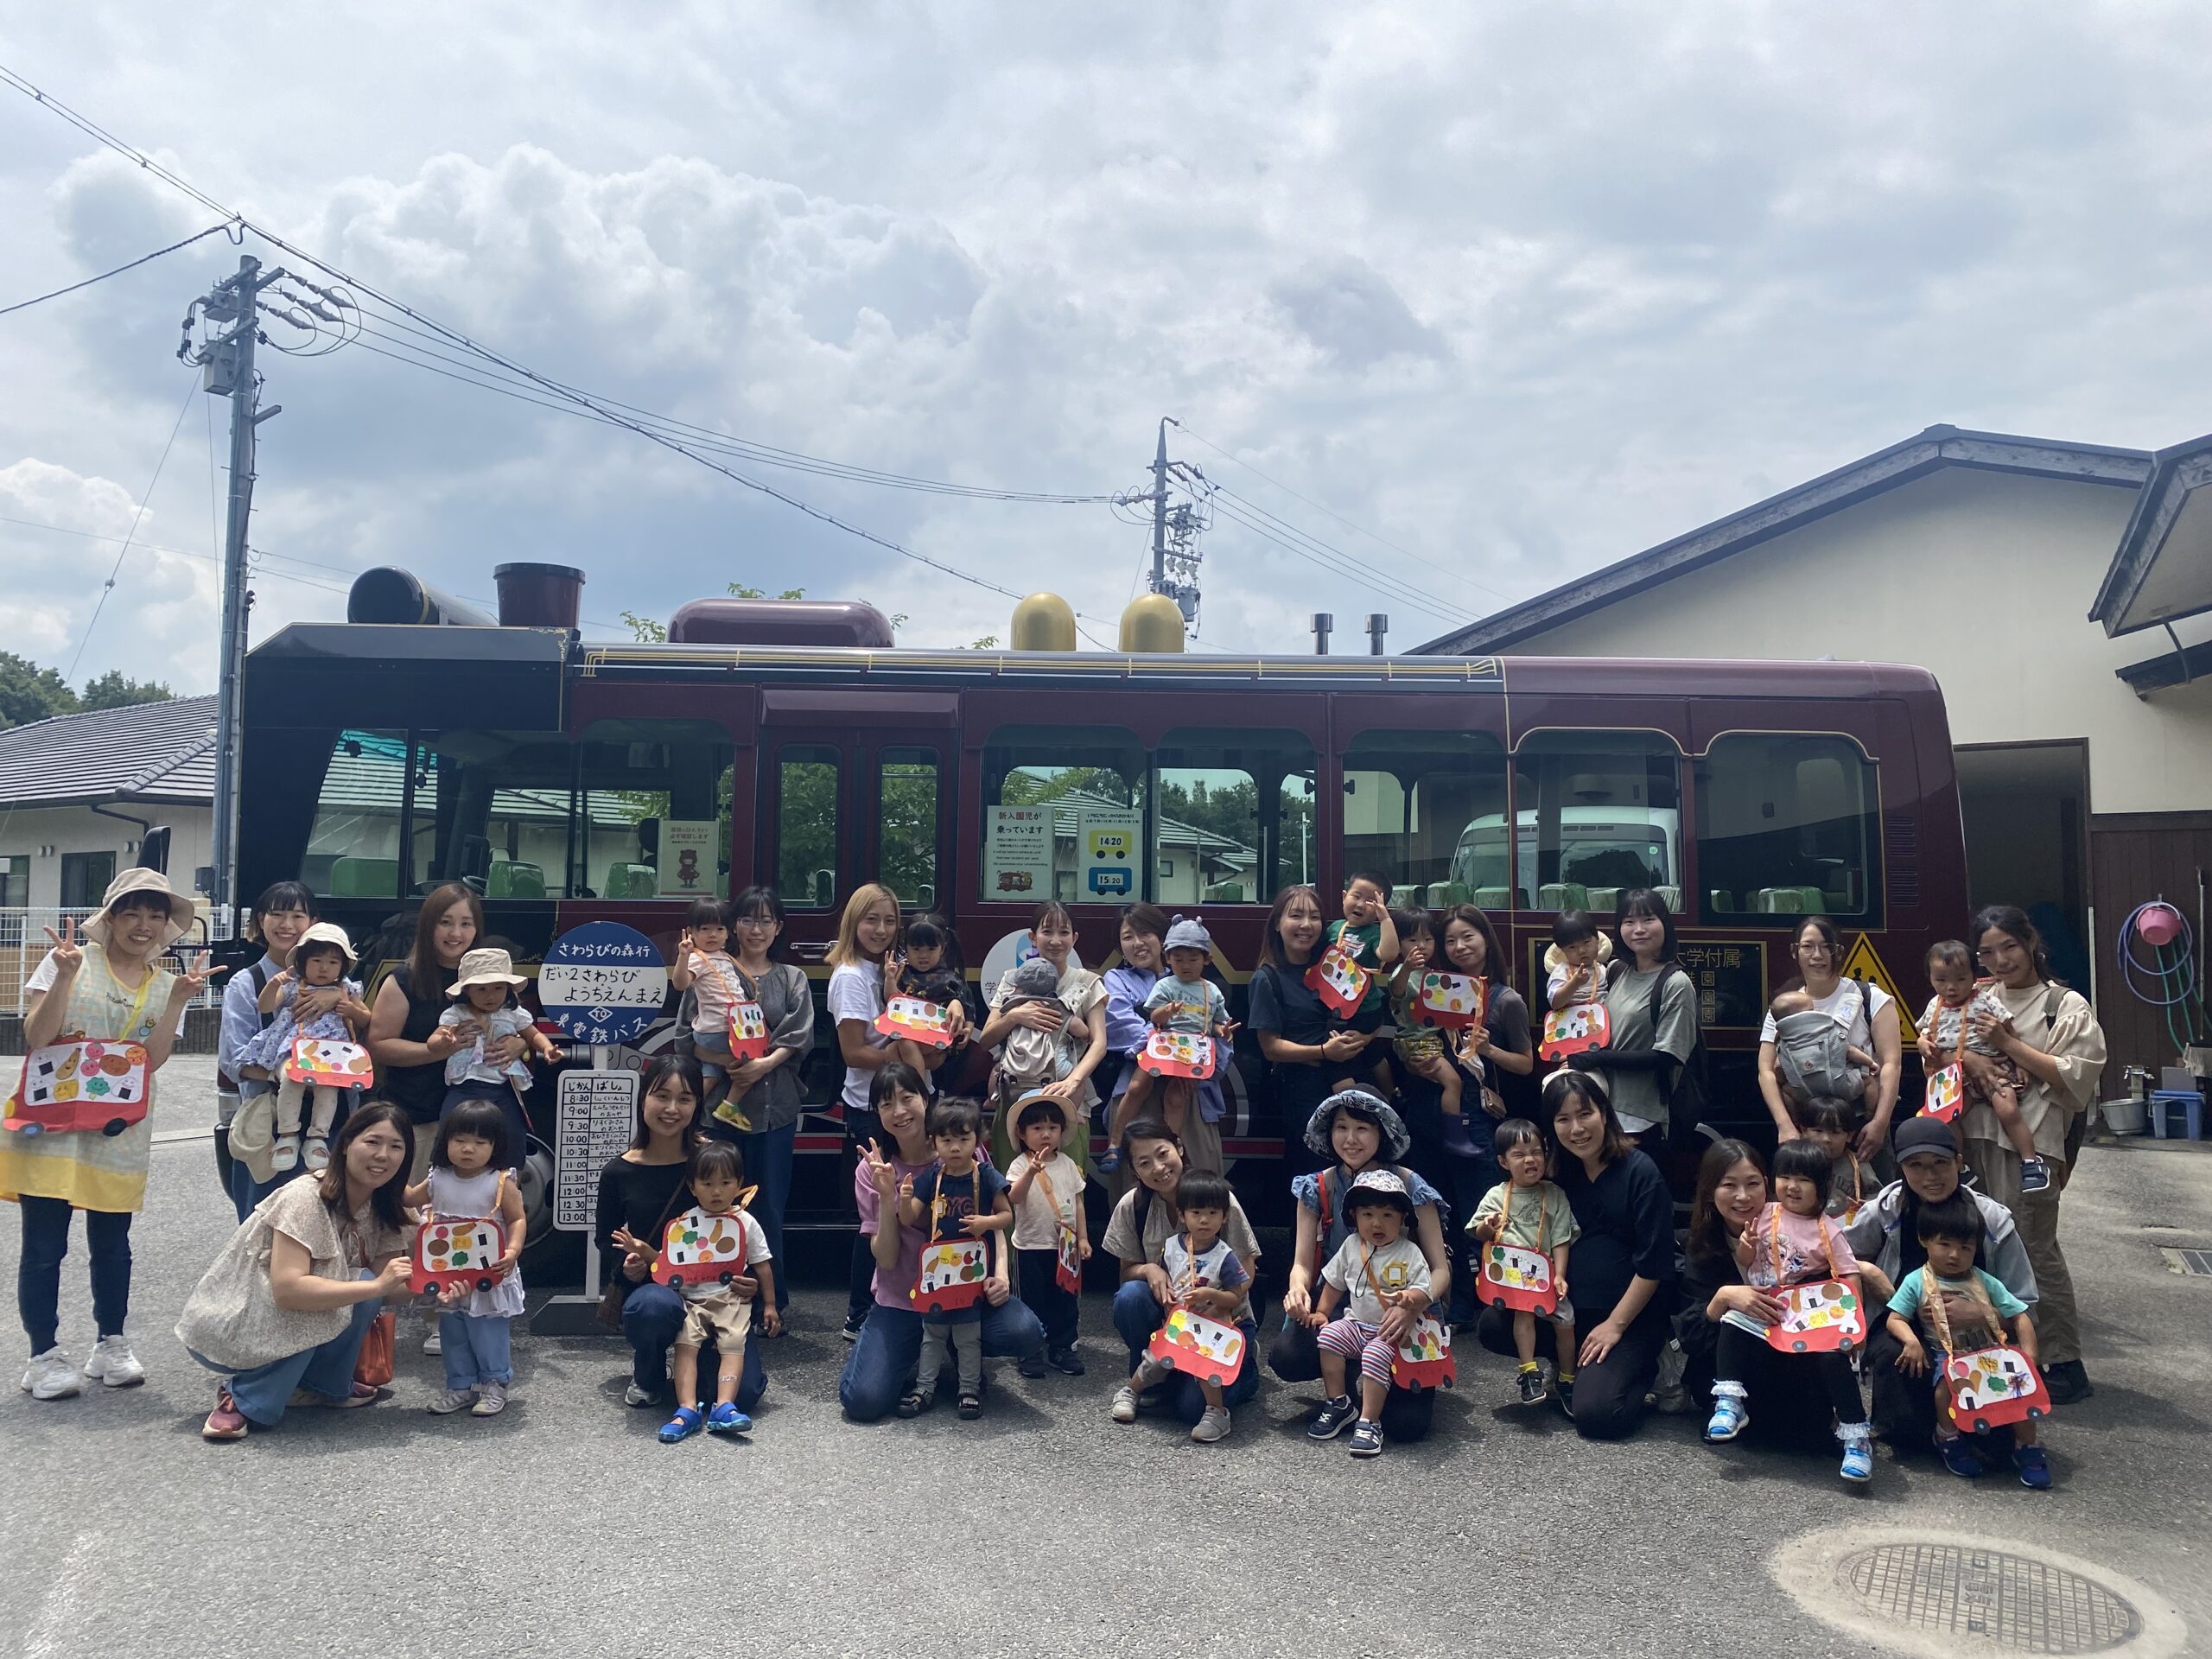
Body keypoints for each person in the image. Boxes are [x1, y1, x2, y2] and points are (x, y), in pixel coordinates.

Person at [8, 869, 215, 1402]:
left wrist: (177, 1002)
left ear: (166, 926)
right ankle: (42, 1355)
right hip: (51, 1125)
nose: (143, 925)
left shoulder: (167, 983)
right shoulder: (69, 961)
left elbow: (153, 1061)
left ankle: (111, 1343)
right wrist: (62, 977)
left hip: (118, 1129)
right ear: (111, 918)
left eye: (155, 915)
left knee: (113, 1244)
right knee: (44, 1247)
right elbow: (36, 1036)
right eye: (132, 913)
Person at [181, 1103, 416, 1440]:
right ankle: (242, 1396)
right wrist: (378, 1286)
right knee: (328, 1296)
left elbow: (390, 1286)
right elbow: (289, 1291)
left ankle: (320, 1386)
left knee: (363, 1287)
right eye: (372, 1142)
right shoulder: (306, 1198)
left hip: (289, 1309)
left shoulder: (384, 1204)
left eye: (396, 1146)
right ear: (346, 1144)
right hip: (240, 1318)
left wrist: (438, 1287)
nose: (383, 1155)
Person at [838, 1065, 1045, 1422]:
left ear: (926, 1099)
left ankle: (956, 1349)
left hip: (967, 1293)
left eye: (907, 1098)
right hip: (904, 1300)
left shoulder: (965, 1150)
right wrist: (887, 1197)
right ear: (877, 1114)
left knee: (1026, 1333)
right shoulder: (873, 1171)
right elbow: (885, 1259)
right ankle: (916, 1350)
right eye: (886, 1104)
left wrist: (1001, 1275)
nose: (899, 1111)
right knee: (863, 1401)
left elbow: (998, 1220)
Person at [1474, 1071, 1675, 1439]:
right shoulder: (1556, 1175)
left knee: (1598, 1416)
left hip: (1628, 1320)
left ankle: (1651, 1369)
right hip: (1566, 1311)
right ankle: (1570, 1364)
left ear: (1605, 1114)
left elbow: (1654, 1263)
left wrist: (1615, 1326)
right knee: (1493, 1324)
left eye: (1585, 1114)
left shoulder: (1641, 1172)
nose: (1577, 1129)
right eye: (1563, 1119)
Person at [1956, 904, 2103, 1403]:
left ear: (2031, 942)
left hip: (2032, 1147)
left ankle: (2064, 1361)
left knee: (2034, 1249)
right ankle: (2006, 1356)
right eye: (1988, 952)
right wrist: (1972, 1057)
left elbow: (2075, 1075)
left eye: (2009, 947)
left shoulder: (2062, 1004)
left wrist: (2006, 1044)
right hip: (1975, 1137)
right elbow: (1940, 1045)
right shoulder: (1975, 996)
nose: (2000, 960)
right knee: (1982, 1248)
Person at [1842, 1116, 2039, 1459]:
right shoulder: (1885, 1211)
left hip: (1980, 1333)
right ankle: (1915, 1429)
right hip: (1904, 1322)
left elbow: (2026, 1302)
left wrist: (1981, 1313)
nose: (1930, 1176)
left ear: (1959, 1162)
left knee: (1997, 1450)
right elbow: (1837, 1256)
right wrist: (1868, 1271)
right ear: (1901, 1168)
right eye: (1916, 1166)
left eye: (1940, 1164)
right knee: (1895, 1364)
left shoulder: (1993, 1220)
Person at [1270, 1090, 1455, 1443]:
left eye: (1362, 1128)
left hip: (1402, 1312)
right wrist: (1297, 1290)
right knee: (1288, 1356)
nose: (1350, 1139)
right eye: (1341, 1127)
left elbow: (1440, 1270)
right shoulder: (1317, 1186)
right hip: (1343, 1310)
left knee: (1406, 1426)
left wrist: (1414, 1305)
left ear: (1382, 1133)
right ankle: (1344, 1388)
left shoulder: (1411, 1185)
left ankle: (1381, 1381)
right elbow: (1301, 1264)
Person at [594, 1056, 766, 1417]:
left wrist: (750, 1279)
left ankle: (703, 1369)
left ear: (697, 1105)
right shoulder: (618, 1172)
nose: (672, 1109)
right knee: (653, 1307)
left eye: (685, 1099)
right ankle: (649, 1370)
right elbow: (605, 1240)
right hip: (659, 1289)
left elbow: (743, 1229)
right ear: (643, 1098)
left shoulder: (713, 1161)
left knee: (744, 1394)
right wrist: (627, 1265)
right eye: (662, 1096)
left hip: (717, 1295)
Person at [1705, 1140, 1872, 1483]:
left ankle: (1857, 1439)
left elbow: (1849, 1275)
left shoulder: (1828, 1229)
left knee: (1832, 1359)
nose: (1793, 1187)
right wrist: (1747, 1248)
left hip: (1811, 1315)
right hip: (1767, 1307)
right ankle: (1729, 1402)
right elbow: (1746, 1262)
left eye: (1804, 1180)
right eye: (1785, 1177)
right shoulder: (1764, 1214)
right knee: (1733, 1321)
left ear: (1821, 1186)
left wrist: (1856, 1326)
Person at [1102, 1119, 1264, 1429]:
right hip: (1173, 1320)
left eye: (1163, 1154)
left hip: (1222, 1320)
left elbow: (1247, 1268)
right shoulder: (1133, 1205)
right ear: (1134, 1171)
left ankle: (1245, 1368)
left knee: (1192, 1409)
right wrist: (1149, 1269)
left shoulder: (1215, 1198)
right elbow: (1126, 1271)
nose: (1158, 1168)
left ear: (1179, 1147)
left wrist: (1217, 1304)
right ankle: (1153, 1379)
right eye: (1144, 1163)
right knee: (1130, 1296)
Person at [613, 1140, 779, 1443]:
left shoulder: (745, 1222)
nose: (716, 1192)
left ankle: (724, 1406)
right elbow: (668, 1265)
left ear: (739, 1183)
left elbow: (763, 1265)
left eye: (725, 1183)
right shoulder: (685, 1223)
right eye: (707, 1184)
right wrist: (642, 1250)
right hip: (691, 1300)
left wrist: (769, 1304)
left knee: (733, 1346)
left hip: (731, 1299)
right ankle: (686, 1409)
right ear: (693, 1186)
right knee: (685, 1346)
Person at [1884, 1192, 2050, 1488]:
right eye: (1944, 1245)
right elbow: (1895, 1319)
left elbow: (2020, 1315)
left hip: (1990, 1353)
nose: (1954, 1255)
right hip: (1948, 1356)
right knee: (1945, 1390)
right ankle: (1947, 1435)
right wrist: (1911, 1341)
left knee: (2020, 1393)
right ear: (1924, 1240)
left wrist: (2030, 1357)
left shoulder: (1985, 1281)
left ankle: (2027, 1445)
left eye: (1965, 1248)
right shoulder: (1915, 1281)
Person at [711, 886, 812, 1323]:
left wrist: (761, 1066)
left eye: (766, 920)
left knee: (768, 1207)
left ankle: (772, 1303)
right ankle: (716, 1297)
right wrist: (728, 1063)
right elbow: (689, 1034)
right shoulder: (713, 970)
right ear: (734, 926)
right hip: (722, 1111)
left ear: (778, 928)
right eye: (748, 919)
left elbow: (799, 1034)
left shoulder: (792, 978)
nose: (756, 929)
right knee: (718, 1202)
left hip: (776, 1111)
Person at [367, 883, 505, 1187]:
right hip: (418, 1117)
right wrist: (434, 1052)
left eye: (466, 923)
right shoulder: (404, 979)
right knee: (410, 1205)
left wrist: (519, 1044)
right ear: (428, 925)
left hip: (475, 1123)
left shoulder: (493, 979)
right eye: (445, 922)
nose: (455, 933)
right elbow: (379, 1046)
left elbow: (517, 1026)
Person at [829, 884, 919, 1341]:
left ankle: (888, 1305)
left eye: (889, 921)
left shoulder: (885, 969)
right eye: (871, 920)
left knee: (898, 1208)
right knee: (875, 1215)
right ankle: (860, 1314)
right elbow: (854, 1053)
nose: (881, 930)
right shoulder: (849, 976)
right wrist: (907, 1056)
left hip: (895, 1101)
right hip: (872, 1106)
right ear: (853, 922)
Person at [403, 1099, 526, 1418]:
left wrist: (512, 1251)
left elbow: (516, 1219)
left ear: (495, 1146)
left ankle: (495, 1384)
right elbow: (409, 1198)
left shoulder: (499, 1181)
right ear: (446, 1141)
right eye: (459, 1140)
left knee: (487, 1330)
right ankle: (460, 1385)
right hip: (447, 1271)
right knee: (453, 1330)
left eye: (480, 1143)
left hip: (487, 1271)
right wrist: (391, 1170)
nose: (468, 1149)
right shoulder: (438, 1177)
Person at [896, 1097, 1013, 1421]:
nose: (956, 1147)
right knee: (932, 1336)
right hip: (937, 1271)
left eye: (964, 1138)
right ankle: (924, 1388)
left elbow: (1006, 1215)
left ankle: (969, 1389)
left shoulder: (986, 1175)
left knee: (968, 1337)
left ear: (978, 1139)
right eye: (946, 1140)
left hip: (971, 1272)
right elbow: (909, 1218)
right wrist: (904, 1199)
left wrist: (985, 1222)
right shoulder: (932, 1178)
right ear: (933, 1141)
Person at [1306, 1169, 1431, 1458]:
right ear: (1354, 1217)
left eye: (1387, 1215)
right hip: (1357, 1323)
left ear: (1402, 1218)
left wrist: (1409, 1298)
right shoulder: (1352, 1245)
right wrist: (1322, 1312)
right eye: (1367, 1215)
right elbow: (1334, 1282)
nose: (1377, 1223)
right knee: (1329, 1337)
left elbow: (1425, 1289)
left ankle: (1369, 1420)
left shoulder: (1409, 1251)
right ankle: (1339, 1402)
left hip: (1392, 1332)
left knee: (1375, 1355)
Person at [1249, 885, 1376, 1166]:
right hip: (1303, 1091)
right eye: (1296, 916)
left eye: (1315, 917)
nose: (1306, 925)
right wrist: (1324, 1052)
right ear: (1277, 924)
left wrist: (1365, 1038)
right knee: (1314, 1171)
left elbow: (1370, 1007)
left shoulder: (1335, 964)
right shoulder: (1267, 978)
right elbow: (1270, 1047)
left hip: (1353, 1075)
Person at [1756, 915, 1902, 1158]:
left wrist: (1879, 1122)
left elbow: (1891, 1064)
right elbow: (1766, 1071)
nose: (1817, 955)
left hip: (1860, 1127)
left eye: (1826, 947)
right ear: (1795, 951)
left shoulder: (1869, 997)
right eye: (1808, 946)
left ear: (1839, 952)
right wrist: (1785, 1125)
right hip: (1807, 1128)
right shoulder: (1783, 1007)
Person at [215, 880, 320, 1217]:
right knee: (262, 1223)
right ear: (261, 920)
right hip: (269, 1123)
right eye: (277, 915)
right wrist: (288, 1074)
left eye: (297, 916)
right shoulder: (246, 983)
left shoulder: (336, 980)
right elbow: (233, 1060)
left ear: (313, 923)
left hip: (327, 1122)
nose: (287, 925)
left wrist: (343, 1001)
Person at [1122, 1169, 1249, 1445]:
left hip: (1211, 1327)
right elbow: (1166, 1280)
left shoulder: (1225, 1256)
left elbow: (1236, 1297)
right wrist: (1166, 1297)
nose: (1204, 1220)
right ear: (1182, 1215)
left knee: (1206, 1370)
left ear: (1225, 1217)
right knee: (1155, 1359)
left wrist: (1211, 1295)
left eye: (1213, 1213)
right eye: (1196, 1213)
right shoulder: (1171, 1247)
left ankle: (1217, 1413)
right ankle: (1131, 1392)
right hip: (1179, 1322)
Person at [1567, 888, 1700, 1141]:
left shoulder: (1676, 983)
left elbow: (1667, 1056)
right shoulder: (1616, 970)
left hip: (1641, 1116)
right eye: (1629, 922)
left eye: (1648, 919)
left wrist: (1597, 1058)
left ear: (1665, 924)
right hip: (1600, 1109)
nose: (1639, 929)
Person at [238, 922, 370, 1176]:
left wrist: (351, 1009)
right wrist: (273, 985)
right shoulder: (293, 985)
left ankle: (317, 1137)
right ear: (302, 962)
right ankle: (287, 1135)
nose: (324, 967)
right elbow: (265, 1007)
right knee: (292, 1077)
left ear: (343, 966)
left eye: (333, 962)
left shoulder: (347, 989)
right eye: (317, 960)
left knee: (328, 1086)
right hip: (294, 1051)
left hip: (331, 1055)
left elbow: (366, 1018)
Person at [979, 901, 1109, 1150]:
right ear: (1033, 937)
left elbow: (1099, 1043)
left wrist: (1073, 1081)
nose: (1055, 940)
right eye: (1047, 931)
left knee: (1066, 1173)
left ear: (1074, 938)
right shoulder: (1012, 980)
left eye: (1064, 932)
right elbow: (986, 1040)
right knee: (1013, 1174)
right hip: (1014, 1103)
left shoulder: (1088, 982)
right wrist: (1014, 1017)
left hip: (1066, 1101)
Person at [1918, 936, 2047, 1190]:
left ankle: (2031, 1161)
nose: (1951, 987)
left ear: (1973, 977)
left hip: (1993, 1071)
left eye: (1960, 979)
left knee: (2007, 1109)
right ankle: (1961, 1167)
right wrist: (1922, 1043)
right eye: (1941, 980)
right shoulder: (1934, 1005)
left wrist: (2020, 1064)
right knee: (1945, 1118)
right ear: (1930, 978)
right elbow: (1924, 1034)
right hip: (1957, 1078)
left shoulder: (1985, 1001)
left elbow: (2010, 1031)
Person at [1469, 1117, 1578, 1406]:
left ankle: (1568, 1377)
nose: (1530, 1160)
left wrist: (1560, 1275)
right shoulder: (1496, 1195)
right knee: (1524, 1315)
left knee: (1566, 1322)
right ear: (1503, 1162)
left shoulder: (1554, 1194)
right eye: (1519, 1155)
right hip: (1513, 1276)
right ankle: (1529, 1372)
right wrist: (1488, 1227)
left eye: (1537, 1152)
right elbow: (1478, 1231)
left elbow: (1561, 1237)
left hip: (1545, 1273)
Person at [438, 946, 562, 1165]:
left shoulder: (515, 1013)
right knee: (449, 1129)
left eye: (498, 988)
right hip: (465, 1085)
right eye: (482, 989)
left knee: (514, 1134)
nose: (491, 995)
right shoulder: (456, 1014)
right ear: (466, 990)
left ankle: (512, 1179)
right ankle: (441, 1175)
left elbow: (533, 1035)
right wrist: (445, 1041)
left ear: (508, 989)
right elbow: (434, 1040)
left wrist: (548, 1049)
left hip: (505, 1087)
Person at [1117, 913, 1232, 1145]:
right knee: (1136, 1087)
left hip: (1192, 1051)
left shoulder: (1212, 991)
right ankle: (1115, 1140)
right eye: (1178, 959)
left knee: (1177, 1099)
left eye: (1193, 959)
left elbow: (1216, 1022)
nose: (1186, 965)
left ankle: (1171, 1144)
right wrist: (1167, 1012)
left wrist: (1223, 1031)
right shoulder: (1165, 985)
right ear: (1168, 958)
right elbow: (1155, 1017)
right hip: (1163, 1044)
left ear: (1206, 959)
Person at [1003, 1090, 1088, 1376]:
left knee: (1065, 1299)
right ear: (1022, 1133)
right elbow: (1013, 1197)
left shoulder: (1067, 1164)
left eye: (1052, 1127)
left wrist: (1083, 1238)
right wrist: (1030, 1171)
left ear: (1062, 1132)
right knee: (1030, 1299)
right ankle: (1029, 1349)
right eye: (1037, 1128)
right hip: (1029, 1246)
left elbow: (1077, 1201)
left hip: (1065, 1247)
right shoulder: (1019, 1164)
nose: (1046, 1134)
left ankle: (1062, 1347)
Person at [667, 898, 750, 1122]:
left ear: (728, 933)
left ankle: (689, 1111)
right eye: (705, 929)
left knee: (712, 1073)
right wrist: (683, 955)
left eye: (719, 929)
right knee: (751, 1062)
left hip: (718, 1027)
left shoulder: (723, 956)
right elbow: (680, 984)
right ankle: (729, 1106)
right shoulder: (698, 958)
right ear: (691, 932)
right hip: (719, 1029)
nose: (713, 934)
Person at [887, 912, 974, 1078]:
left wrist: (967, 1030)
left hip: (936, 1039)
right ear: (905, 948)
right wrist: (890, 979)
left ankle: (918, 1089)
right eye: (916, 949)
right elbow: (891, 1000)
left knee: (906, 1044)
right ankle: (906, 1088)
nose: (923, 956)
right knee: (890, 1051)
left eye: (931, 949)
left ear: (943, 949)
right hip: (907, 1033)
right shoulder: (902, 973)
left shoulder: (951, 978)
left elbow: (968, 1008)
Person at [1766, 987, 1873, 1110]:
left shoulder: (1782, 1042)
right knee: (1869, 1081)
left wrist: (1785, 1079)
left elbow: (1778, 1068)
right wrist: (1870, 1063)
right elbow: (1848, 1050)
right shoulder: (1828, 1031)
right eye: (1812, 1009)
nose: (1817, 1010)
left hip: (1805, 1092)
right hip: (1839, 1086)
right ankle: (1870, 1112)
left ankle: (1795, 1118)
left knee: (1786, 1090)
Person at [1797, 1097, 1878, 1224]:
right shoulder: (1797, 1162)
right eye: (1818, 1131)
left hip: (1847, 1226)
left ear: (1849, 1136)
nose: (1826, 1139)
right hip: (1805, 1225)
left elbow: (1876, 1195)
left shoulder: (1857, 1163)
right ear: (1804, 1131)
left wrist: (1867, 1206)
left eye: (1835, 1132)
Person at [1544, 909, 1611, 1014]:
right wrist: (1575, 983)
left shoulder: (1603, 969)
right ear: (1562, 950)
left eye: (1586, 942)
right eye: (1572, 947)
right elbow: (1555, 1003)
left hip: (1599, 1020)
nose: (1581, 951)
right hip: (1569, 1020)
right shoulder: (1561, 971)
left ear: (1597, 940)